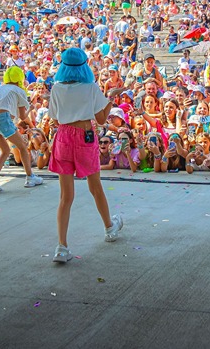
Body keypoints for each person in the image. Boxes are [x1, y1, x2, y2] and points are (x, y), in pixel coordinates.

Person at [48, 47, 123, 263]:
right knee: (95, 187)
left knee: (66, 197)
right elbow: (100, 119)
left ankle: (62, 247)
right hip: (85, 137)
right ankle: (109, 228)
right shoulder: (90, 87)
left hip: (63, 137)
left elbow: (55, 119)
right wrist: (110, 98)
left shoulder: (57, 88)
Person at [0, 66, 44, 193]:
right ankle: (30, 177)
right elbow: (22, 116)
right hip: (3, 118)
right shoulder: (19, 91)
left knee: (5, 150)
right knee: (22, 147)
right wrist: (30, 108)